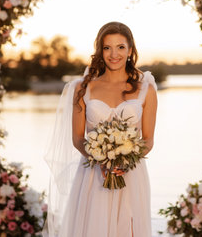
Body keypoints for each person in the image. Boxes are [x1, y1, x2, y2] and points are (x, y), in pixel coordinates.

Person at [43, 21, 157, 237]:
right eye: (107, 47)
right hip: (93, 175)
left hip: (132, 175)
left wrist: (125, 161)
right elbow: (78, 138)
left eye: (121, 47)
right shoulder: (83, 88)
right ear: (100, 51)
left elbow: (148, 140)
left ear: (130, 50)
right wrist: (101, 160)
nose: (114, 54)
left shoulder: (146, 89)